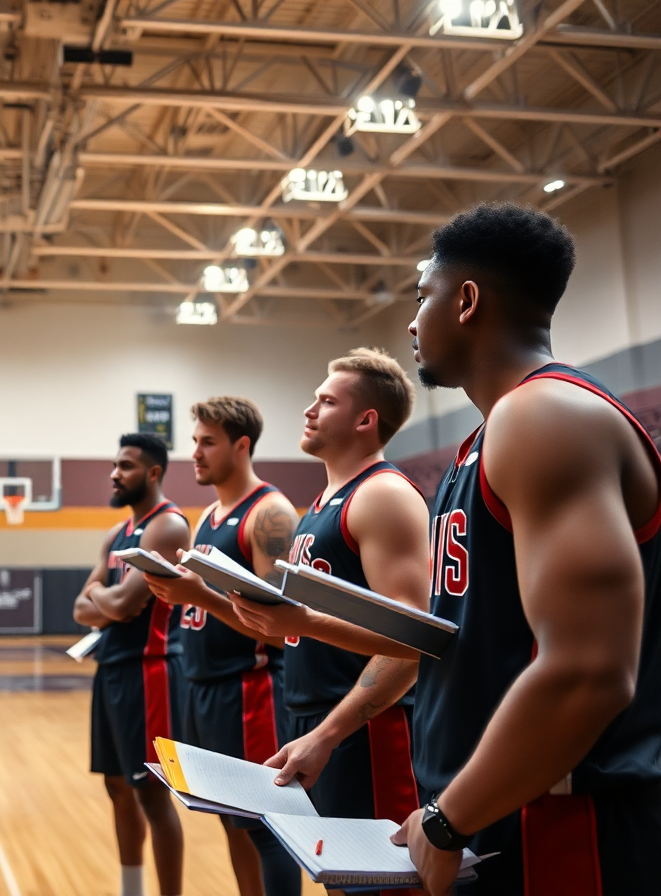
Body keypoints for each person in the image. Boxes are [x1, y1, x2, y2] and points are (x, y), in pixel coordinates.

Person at [235, 204, 661, 895]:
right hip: (492, 808)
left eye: (421, 296)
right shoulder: (487, 438)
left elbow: (590, 670)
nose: (410, 321)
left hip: (560, 823)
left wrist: (447, 819)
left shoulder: (544, 415)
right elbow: (466, 636)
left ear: (466, 301)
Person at [260, 351, 430, 859]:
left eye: (326, 400)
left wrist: (330, 734)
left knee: (380, 883)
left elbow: (411, 643)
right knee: (338, 876)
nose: (310, 409)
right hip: (318, 718)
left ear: (365, 419)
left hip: (367, 731)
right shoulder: (321, 503)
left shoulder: (383, 496)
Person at [144, 398, 302, 896]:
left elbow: (281, 630)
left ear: (242, 445)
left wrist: (199, 596)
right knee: (229, 821)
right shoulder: (210, 513)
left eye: (207, 442)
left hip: (248, 690)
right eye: (194, 441)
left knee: (266, 828)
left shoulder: (269, 513)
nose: (194, 452)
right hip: (203, 688)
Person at [74, 433, 191, 896]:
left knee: (152, 795)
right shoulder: (116, 535)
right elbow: (81, 609)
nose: (114, 474)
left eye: (125, 466)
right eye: (115, 465)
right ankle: (131, 890)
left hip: (151, 674)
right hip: (113, 670)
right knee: (117, 788)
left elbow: (119, 605)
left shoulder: (169, 526)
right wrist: (109, 600)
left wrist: (105, 599)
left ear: (153, 472)